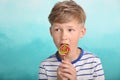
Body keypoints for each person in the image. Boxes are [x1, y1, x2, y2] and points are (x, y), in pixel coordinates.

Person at [39, 0, 105, 80]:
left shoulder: (94, 62)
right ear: (51, 32)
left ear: (82, 32)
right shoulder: (45, 66)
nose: (63, 37)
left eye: (70, 30)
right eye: (57, 30)